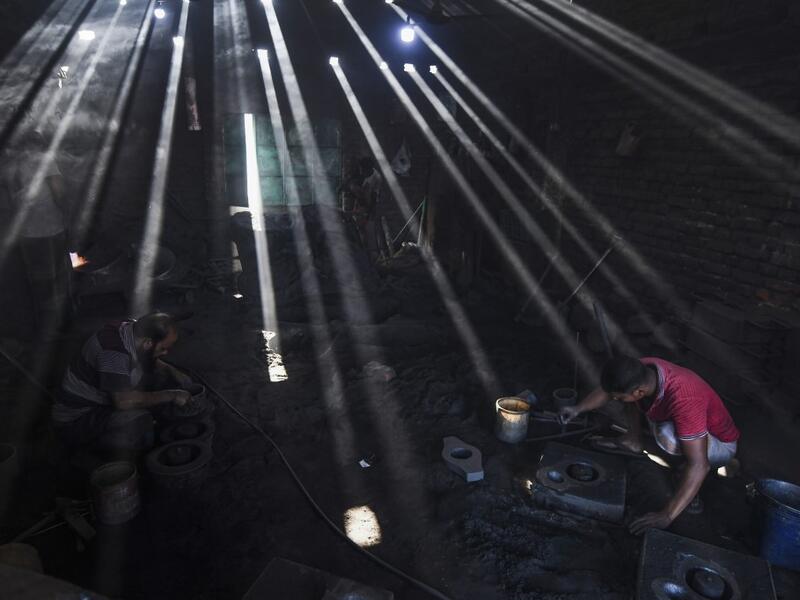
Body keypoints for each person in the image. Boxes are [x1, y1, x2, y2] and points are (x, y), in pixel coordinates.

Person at [560, 355, 740, 534]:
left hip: (721, 445)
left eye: (619, 398)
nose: (616, 400)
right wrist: (577, 409)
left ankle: (686, 480)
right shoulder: (643, 369)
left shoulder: (684, 400)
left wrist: (667, 515)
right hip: (689, 423)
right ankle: (633, 441)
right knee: (629, 398)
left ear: (639, 391)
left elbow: (700, 465)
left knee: (668, 437)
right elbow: (609, 391)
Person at [52, 312, 192, 457]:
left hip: (101, 400)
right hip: (77, 419)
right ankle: (88, 454)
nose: (166, 353)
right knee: (141, 423)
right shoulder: (113, 354)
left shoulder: (131, 329)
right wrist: (172, 395)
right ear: (148, 343)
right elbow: (123, 401)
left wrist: (171, 370)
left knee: (160, 379)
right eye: (163, 348)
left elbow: (148, 355)